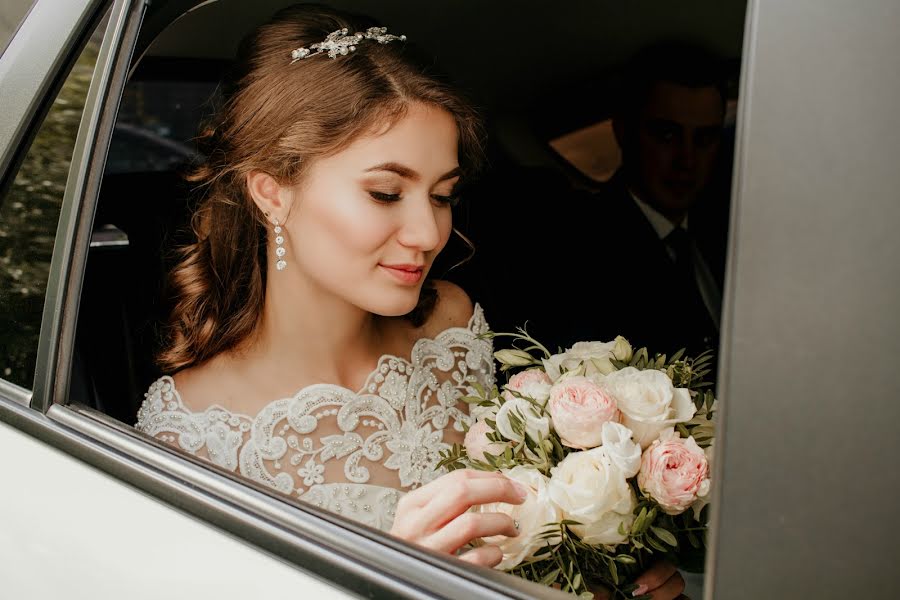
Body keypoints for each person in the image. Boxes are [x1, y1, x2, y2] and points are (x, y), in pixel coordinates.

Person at [134, 5, 683, 597]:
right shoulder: (190, 435)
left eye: (442, 195)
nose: (428, 234)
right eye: (385, 192)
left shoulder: (452, 325)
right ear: (272, 191)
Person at [471, 41, 730, 362]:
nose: (686, 159)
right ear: (623, 132)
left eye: (704, 139)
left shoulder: (723, 236)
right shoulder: (573, 241)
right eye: (666, 135)